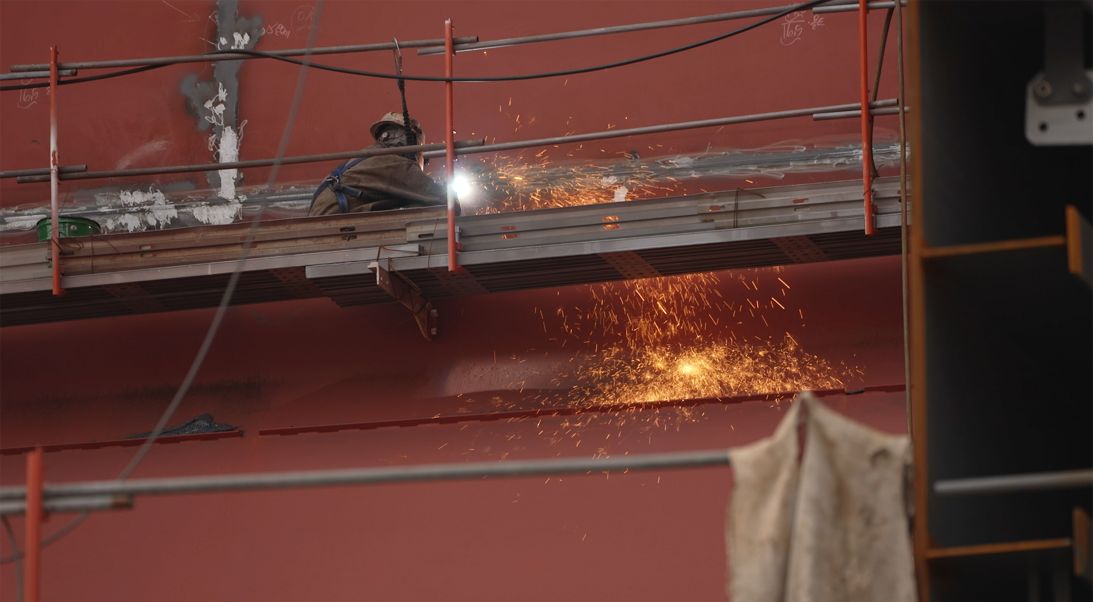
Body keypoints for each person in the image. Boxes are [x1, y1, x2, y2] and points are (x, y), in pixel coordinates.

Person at [308, 112, 448, 216]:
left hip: (320, 217)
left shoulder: (368, 156)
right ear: (413, 143)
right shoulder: (396, 164)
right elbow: (444, 200)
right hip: (331, 221)